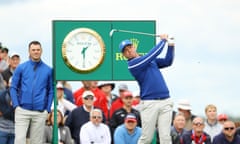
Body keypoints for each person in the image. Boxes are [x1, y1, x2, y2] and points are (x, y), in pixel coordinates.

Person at [119, 34, 174, 144]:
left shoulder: (148, 60)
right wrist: (163, 41)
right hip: (149, 103)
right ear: (124, 55)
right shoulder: (133, 64)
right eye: (125, 50)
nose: (129, 50)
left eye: (130, 47)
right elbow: (152, 55)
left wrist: (171, 46)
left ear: (134, 47)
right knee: (147, 138)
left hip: (165, 101)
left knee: (166, 138)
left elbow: (168, 61)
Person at [10, 40, 54, 144]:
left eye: (38, 50)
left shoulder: (48, 70)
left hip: (39, 112)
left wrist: (47, 109)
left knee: (36, 142)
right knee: (19, 140)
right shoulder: (21, 67)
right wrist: (16, 105)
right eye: (33, 50)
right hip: (22, 110)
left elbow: (51, 90)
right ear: (29, 52)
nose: (36, 52)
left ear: (41, 51)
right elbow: (13, 87)